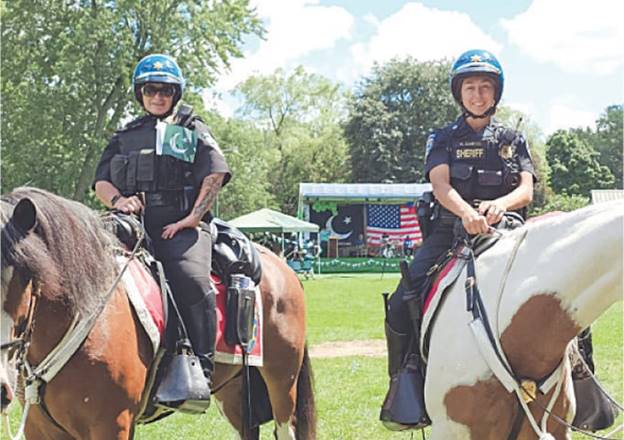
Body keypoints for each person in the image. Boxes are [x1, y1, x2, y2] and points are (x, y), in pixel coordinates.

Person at [380, 49, 536, 429]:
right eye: (470, 87)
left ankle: (582, 377)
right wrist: (466, 212)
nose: (478, 95)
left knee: (563, 283)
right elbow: (440, 184)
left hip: (509, 229)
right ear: (459, 93)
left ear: (495, 93)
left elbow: (527, 189)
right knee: (402, 300)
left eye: (485, 87)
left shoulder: (514, 138)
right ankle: (407, 379)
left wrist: (500, 204)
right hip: (451, 232)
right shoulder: (443, 137)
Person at [93, 54, 231, 400]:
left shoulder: (191, 127)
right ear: (141, 93)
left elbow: (215, 173)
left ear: (175, 93)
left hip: (179, 227)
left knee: (191, 278)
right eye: (151, 89)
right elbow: (101, 182)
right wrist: (118, 202)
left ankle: (200, 366)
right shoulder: (125, 135)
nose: (158, 96)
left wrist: (193, 218)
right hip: (131, 225)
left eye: (166, 90)